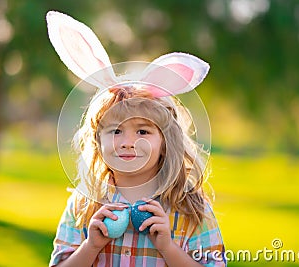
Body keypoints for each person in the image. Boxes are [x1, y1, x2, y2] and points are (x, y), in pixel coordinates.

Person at [46, 11, 226, 267]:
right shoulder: (84, 204)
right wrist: (91, 246)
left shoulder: (190, 209)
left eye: (143, 131)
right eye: (116, 131)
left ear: (165, 141)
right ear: (98, 140)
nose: (128, 142)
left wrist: (167, 247)